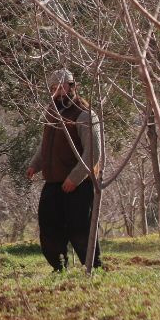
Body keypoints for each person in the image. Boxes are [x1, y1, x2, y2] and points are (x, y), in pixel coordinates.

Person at [27, 68, 102, 271]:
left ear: (72, 86)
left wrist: (75, 178)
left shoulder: (85, 115)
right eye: (53, 88)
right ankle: (60, 268)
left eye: (61, 87)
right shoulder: (51, 112)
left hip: (80, 184)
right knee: (49, 227)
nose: (58, 92)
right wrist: (35, 164)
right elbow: (46, 145)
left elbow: (93, 153)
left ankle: (93, 269)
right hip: (53, 182)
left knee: (80, 230)